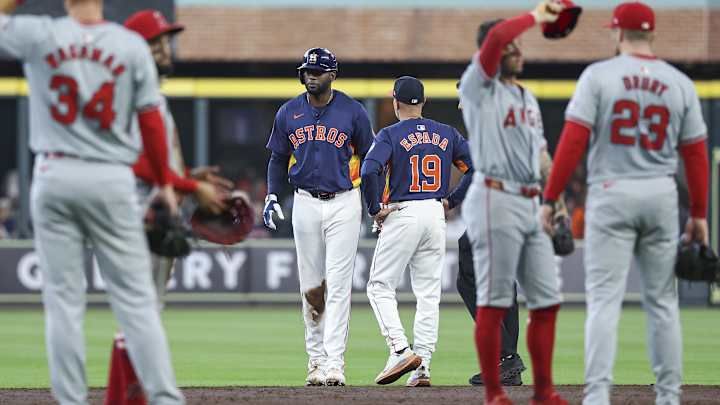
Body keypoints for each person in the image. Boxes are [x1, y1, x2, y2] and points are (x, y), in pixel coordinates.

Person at [0, 0, 184, 404]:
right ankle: (166, 399)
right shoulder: (129, 45)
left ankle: (71, 401)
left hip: (53, 173)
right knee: (137, 302)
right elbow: (152, 122)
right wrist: (167, 187)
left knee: (63, 304)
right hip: (110, 177)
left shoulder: (39, 34)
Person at [541, 2, 709, 404]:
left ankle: (597, 396)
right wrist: (699, 213)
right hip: (660, 192)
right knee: (663, 302)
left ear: (617, 34)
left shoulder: (599, 76)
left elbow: (573, 142)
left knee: (603, 302)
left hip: (611, 191)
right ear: (652, 34)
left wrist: (551, 198)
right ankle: (668, 396)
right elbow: (696, 154)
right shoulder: (679, 82)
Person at [100, 10, 234, 404]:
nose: (162, 48)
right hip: (136, 213)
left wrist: (189, 175)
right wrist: (191, 185)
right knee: (140, 317)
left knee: (138, 318)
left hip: (147, 209)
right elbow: (135, 162)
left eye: (164, 41)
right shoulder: (130, 96)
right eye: (153, 42)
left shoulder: (144, 94)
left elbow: (154, 164)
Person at [458, 1, 569, 404]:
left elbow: (542, 156)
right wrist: (537, 17)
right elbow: (499, 37)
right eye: (512, 46)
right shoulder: (477, 86)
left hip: (530, 201)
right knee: (493, 299)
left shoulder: (525, 97)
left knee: (546, 300)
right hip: (494, 196)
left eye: (520, 45)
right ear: (492, 49)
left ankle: (543, 391)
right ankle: (494, 393)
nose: (519, 50)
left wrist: (554, 203)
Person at [262, 47, 374, 386]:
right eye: (307, 70)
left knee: (339, 286)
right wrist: (270, 194)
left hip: (344, 201)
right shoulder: (288, 112)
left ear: (332, 75)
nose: (311, 75)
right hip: (305, 202)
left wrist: (374, 204)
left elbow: (370, 160)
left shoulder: (352, 111)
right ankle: (315, 361)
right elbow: (277, 159)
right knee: (311, 286)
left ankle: (335, 363)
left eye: (318, 71)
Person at [361, 76, 473, 387]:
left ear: (396, 102)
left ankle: (399, 349)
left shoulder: (389, 134)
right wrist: (452, 200)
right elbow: (474, 167)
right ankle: (422, 367)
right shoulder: (446, 133)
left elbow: (370, 169)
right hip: (436, 212)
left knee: (379, 286)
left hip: (403, 211)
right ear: (422, 103)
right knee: (428, 293)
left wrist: (373, 208)